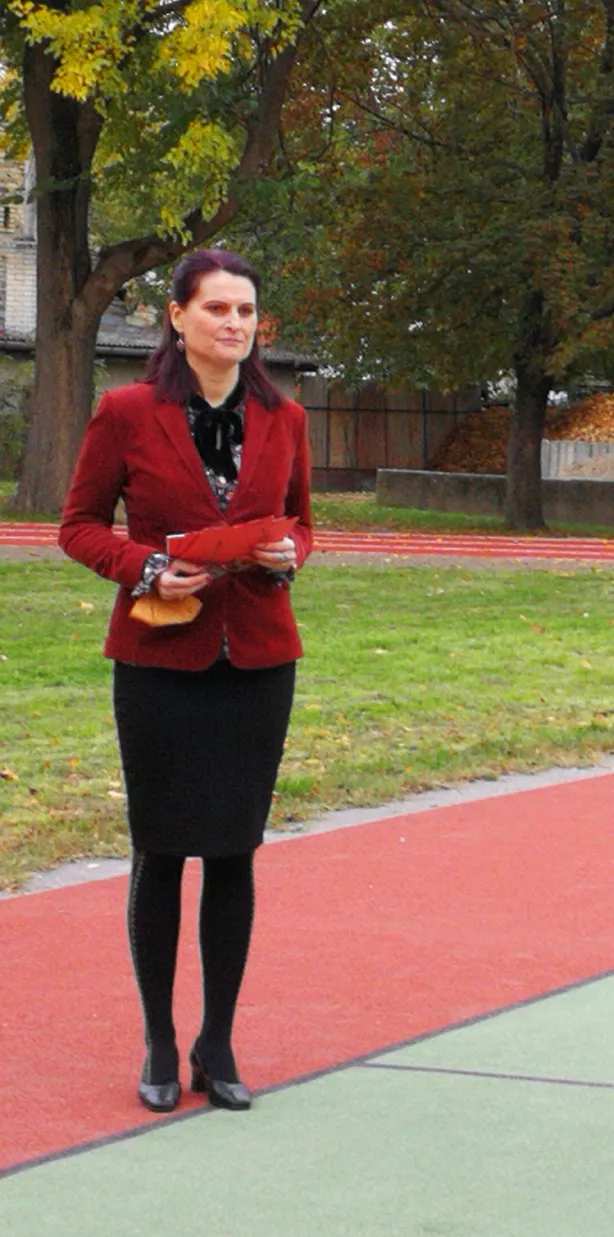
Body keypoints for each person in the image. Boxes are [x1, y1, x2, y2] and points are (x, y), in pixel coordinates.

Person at [58, 249, 312, 1114]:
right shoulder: (127, 413)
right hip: (159, 660)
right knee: (163, 850)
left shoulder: (286, 418)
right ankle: (162, 1041)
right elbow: (79, 526)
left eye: (247, 311)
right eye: (216, 309)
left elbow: (303, 525)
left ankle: (219, 1041)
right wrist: (143, 570)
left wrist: (287, 556)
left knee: (234, 854)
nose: (234, 324)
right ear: (177, 318)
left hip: (257, 663)